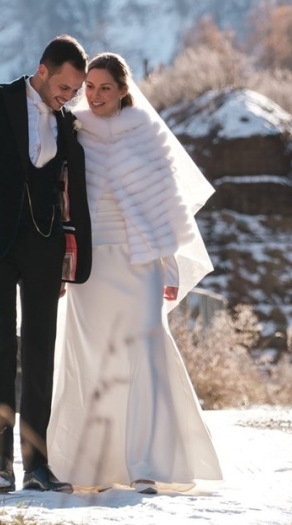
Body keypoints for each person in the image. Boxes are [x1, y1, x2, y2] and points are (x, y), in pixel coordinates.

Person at [49, 52, 223, 493]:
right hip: (89, 266)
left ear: (124, 90)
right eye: (90, 87)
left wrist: (168, 266)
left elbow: (165, 203)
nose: (96, 95)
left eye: (105, 87)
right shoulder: (72, 129)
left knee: (146, 352)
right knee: (92, 357)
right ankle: (96, 467)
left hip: (139, 260)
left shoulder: (147, 133)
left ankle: (147, 464)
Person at [0, 35, 92, 494]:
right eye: (64, 86)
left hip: (46, 248)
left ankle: (37, 465)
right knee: (2, 346)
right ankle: (1, 462)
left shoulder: (68, 123)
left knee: (40, 350)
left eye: (75, 91)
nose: (68, 97)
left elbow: (69, 194)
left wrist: (71, 260)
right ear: (43, 70)